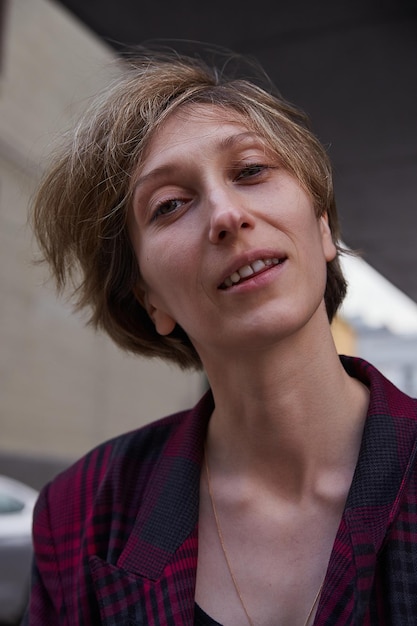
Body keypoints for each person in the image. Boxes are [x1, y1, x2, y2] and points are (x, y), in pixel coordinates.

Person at [23, 46, 417, 626]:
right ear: (148, 298)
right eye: (170, 205)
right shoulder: (82, 513)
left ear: (323, 226)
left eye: (251, 171)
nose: (227, 215)